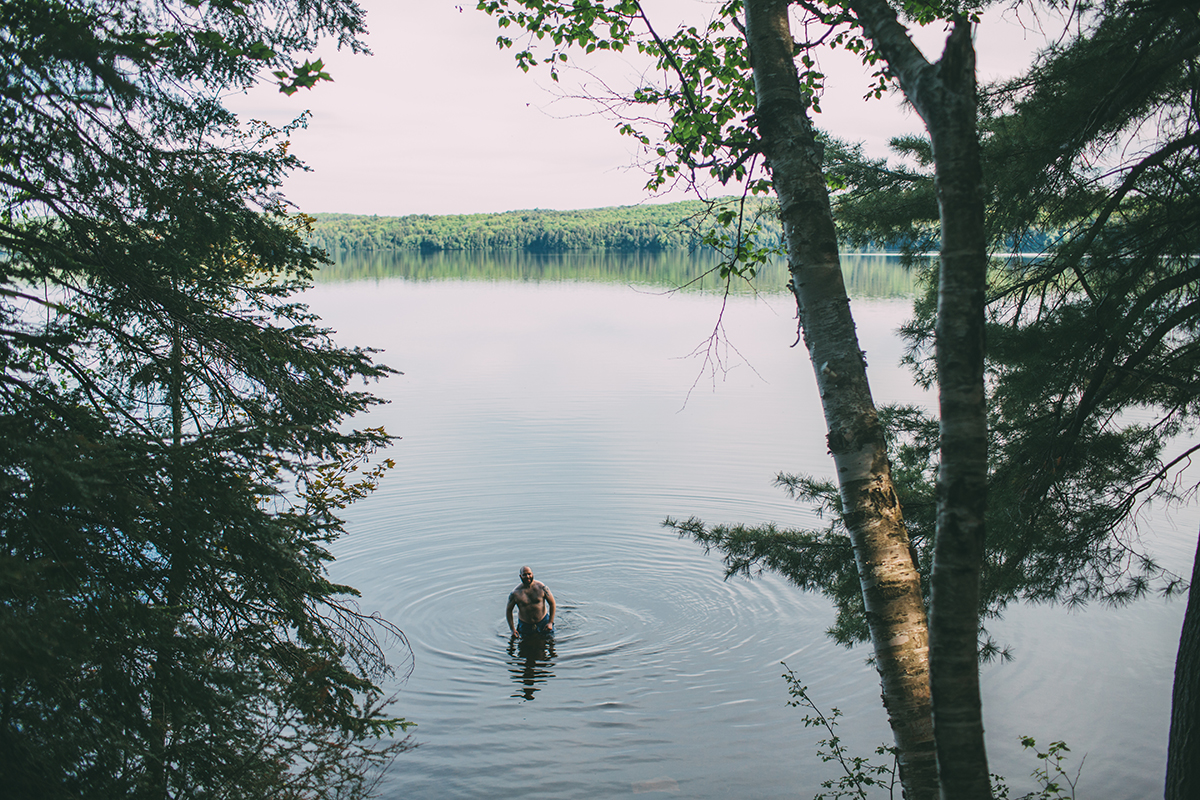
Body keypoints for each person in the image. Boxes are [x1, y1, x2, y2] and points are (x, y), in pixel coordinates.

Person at [506, 566, 555, 637]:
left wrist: (550, 622)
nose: (527, 577)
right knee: (525, 646)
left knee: (551, 642)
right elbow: (508, 610)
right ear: (520, 576)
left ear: (532, 574)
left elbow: (552, 603)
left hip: (543, 621)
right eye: (524, 575)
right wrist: (512, 629)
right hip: (525, 624)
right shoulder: (515, 593)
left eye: (529, 574)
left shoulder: (542, 587)